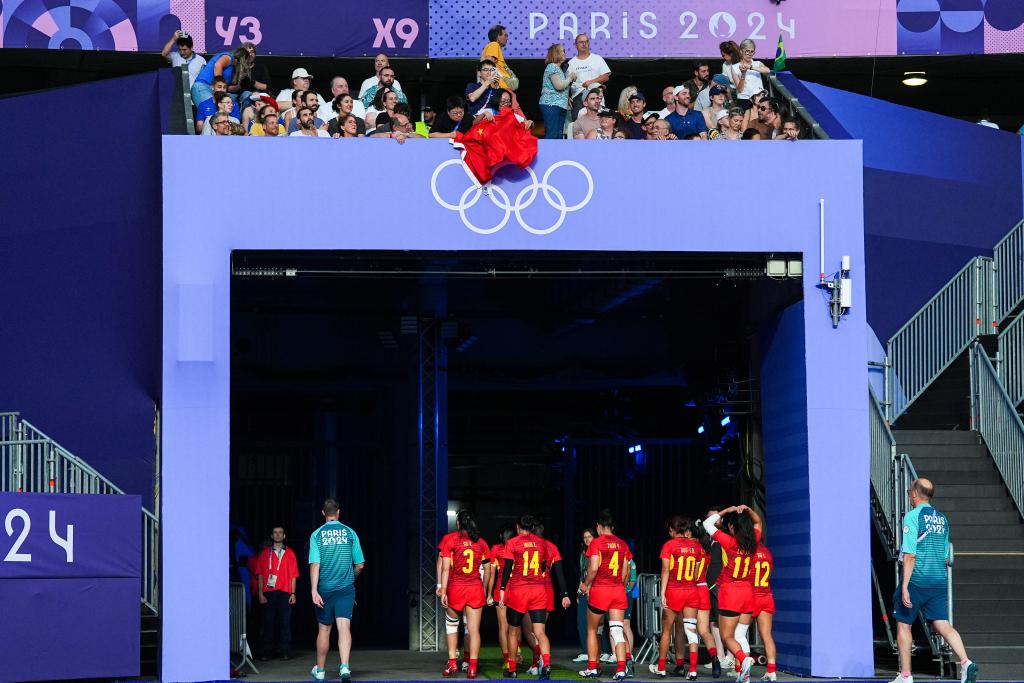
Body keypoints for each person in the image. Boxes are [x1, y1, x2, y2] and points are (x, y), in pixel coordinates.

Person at [891, 479, 977, 683]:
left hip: (917, 580)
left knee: (903, 624)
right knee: (943, 624)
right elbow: (945, 554)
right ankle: (966, 663)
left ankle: (905, 676)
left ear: (914, 494)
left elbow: (910, 555)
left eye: (909, 491)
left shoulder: (913, 517)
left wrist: (905, 586)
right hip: (938, 581)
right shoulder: (942, 519)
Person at [702, 506, 762, 683]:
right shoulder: (754, 541)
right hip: (747, 592)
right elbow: (758, 521)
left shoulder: (729, 542)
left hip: (731, 593)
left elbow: (707, 524)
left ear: (732, 527)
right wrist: (748, 510)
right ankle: (744, 675)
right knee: (740, 636)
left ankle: (744, 660)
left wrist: (727, 510)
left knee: (727, 636)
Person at [501, 515, 564, 679]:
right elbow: (544, 567)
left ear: (518, 527)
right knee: (540, 632)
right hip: (538, 590)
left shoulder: (512, 543)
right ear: (532, 527)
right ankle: (546, 664)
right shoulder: (543, 543)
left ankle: (512, 669)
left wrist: (502, 589)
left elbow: (507, 568)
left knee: (513, 631)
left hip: (518, 590)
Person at [309, 498, 365, 683]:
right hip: (345, 589)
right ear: (338, 512)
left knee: (324, 629)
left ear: (323, 513)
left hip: (324, 589)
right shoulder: (350, 532)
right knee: (344, 626)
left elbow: (315, 564)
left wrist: (314, 590)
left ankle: (320, 671)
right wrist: (351, 578)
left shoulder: (316, 535)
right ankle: (345, 667)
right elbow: (360, 564)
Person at [651, 516, 712, 680]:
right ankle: (693, 670)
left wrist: (662, 593)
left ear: (672, 530)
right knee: (691, 631)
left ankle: (661, 668)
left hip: (674, 591)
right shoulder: (696, 546)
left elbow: (665, 570)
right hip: (691, 591)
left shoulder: (669, 545)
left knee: (666, 631)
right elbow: (696, 573)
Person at [578, 510, 631, 681]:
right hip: (617, 591)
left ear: (598, 527)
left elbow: (593, 568)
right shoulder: (622, 544)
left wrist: (585, 584)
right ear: (612, 527)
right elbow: (626, 571)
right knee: (617, 631)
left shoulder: (596, 543)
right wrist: (619, 586)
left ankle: (593, 668)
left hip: (600, 590)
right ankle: (621, 670)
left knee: (592, 630)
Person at [439, 511, 491, 679]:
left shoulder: (451, 540)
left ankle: (452, 662)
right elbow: (488, 570)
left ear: (458, 524)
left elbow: (445, 569)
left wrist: (443, 590)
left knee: (451, 626)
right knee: (473, 630)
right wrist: (484, 589)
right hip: (475, 588)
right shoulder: (481, 543)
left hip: (456, 588)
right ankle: (472, 668)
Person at [256, 526, 299, 661]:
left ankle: (284, 651)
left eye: (280, 533)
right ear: (272, 536)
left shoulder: (290, 553)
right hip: (268, 592)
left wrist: (293, 593)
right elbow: (260, 575)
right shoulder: (265, 553)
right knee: (267, 623)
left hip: (285, 592)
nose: (278, 535)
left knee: (285, 623)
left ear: (284, 536)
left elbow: (293, 575)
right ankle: (267, 652)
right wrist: (260, 593)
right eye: (275, 532)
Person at [487, 524, 516, 672]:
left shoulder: (495, 549)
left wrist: (489, 593)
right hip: (516, 589)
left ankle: (507, 660)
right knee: (516, 626)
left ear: (501, 536)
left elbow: (492, 574)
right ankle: (516, 654)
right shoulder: (517, 546)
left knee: (503, 626)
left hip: (500, 590)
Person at [192, 43, 255, 107]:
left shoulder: (232, 69)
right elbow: (218, 65)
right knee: (211, 109)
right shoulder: (229, 57)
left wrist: (239, 86)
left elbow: (228, 88)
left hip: (213, 90)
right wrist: (219, 85)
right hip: (203, 86)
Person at [567, 34, 611, 124]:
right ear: (575, 45)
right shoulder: (571, 63)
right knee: (578, 125)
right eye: (581, 42)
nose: (584, 44)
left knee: (599, 123)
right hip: (578, 97)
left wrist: (591, 82)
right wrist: (566, 96)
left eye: (586, 41)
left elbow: (606, 76)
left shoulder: (597, 58)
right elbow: (566, 83)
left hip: (596, 95)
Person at [751, 543, 777, 682]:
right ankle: (771, 671)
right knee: (767, 636)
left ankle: (739, 670)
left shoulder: (747, 551)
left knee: (739, 634)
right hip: (766, 595)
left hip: (751, 596)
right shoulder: (767, 552)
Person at [539, 44, 574, 139]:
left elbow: (561, 88)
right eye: (563, 51)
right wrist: (570, 78)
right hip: (551, 104)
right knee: (552, 134)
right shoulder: (552, 67)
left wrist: (566, 98)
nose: (565, 53)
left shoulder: (558, 69)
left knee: (558, 135)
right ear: (556, 53)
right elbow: (559, 86)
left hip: (559, 105)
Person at [573, 528, 597, 664]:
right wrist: (579, 591)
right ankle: (585, 651)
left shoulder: (597, 552)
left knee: (597, 624)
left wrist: (590, 587)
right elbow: (582, 575)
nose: (587, 539)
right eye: (585, 537)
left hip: (595, 590)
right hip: (584, 590)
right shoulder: (583, 553)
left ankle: (605, 651)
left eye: (589, 536)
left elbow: (595, 571)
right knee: (581, 621)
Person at [464, 60, 503, 133]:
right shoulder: (472, 86)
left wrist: (497, 87)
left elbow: (501, 108)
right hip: (475, 125)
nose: (489, 72)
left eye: (492, 70)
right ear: (479, 73)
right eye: (486, 70)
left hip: (492, 126)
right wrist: (487, 83)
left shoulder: (496, 89)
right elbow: (472, 98)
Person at [728, 40, 771, 105]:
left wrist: (750, 67)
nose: (749, 54)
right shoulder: (735, 67)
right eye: (747, 51)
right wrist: (743, 74)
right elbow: (740, 90)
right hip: (744, 99)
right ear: (741, 51)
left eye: (752, 51)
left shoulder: (757, 63)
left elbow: (767, 70)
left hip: (759, 99)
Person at [481, 25, 516, 91]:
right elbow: (488, 65)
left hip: (501, 89)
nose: (507, 38)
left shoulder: (492, 46)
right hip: (499, 89)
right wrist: (493, 86)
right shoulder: (494, 44)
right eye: (505, 35)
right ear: (498, 36)